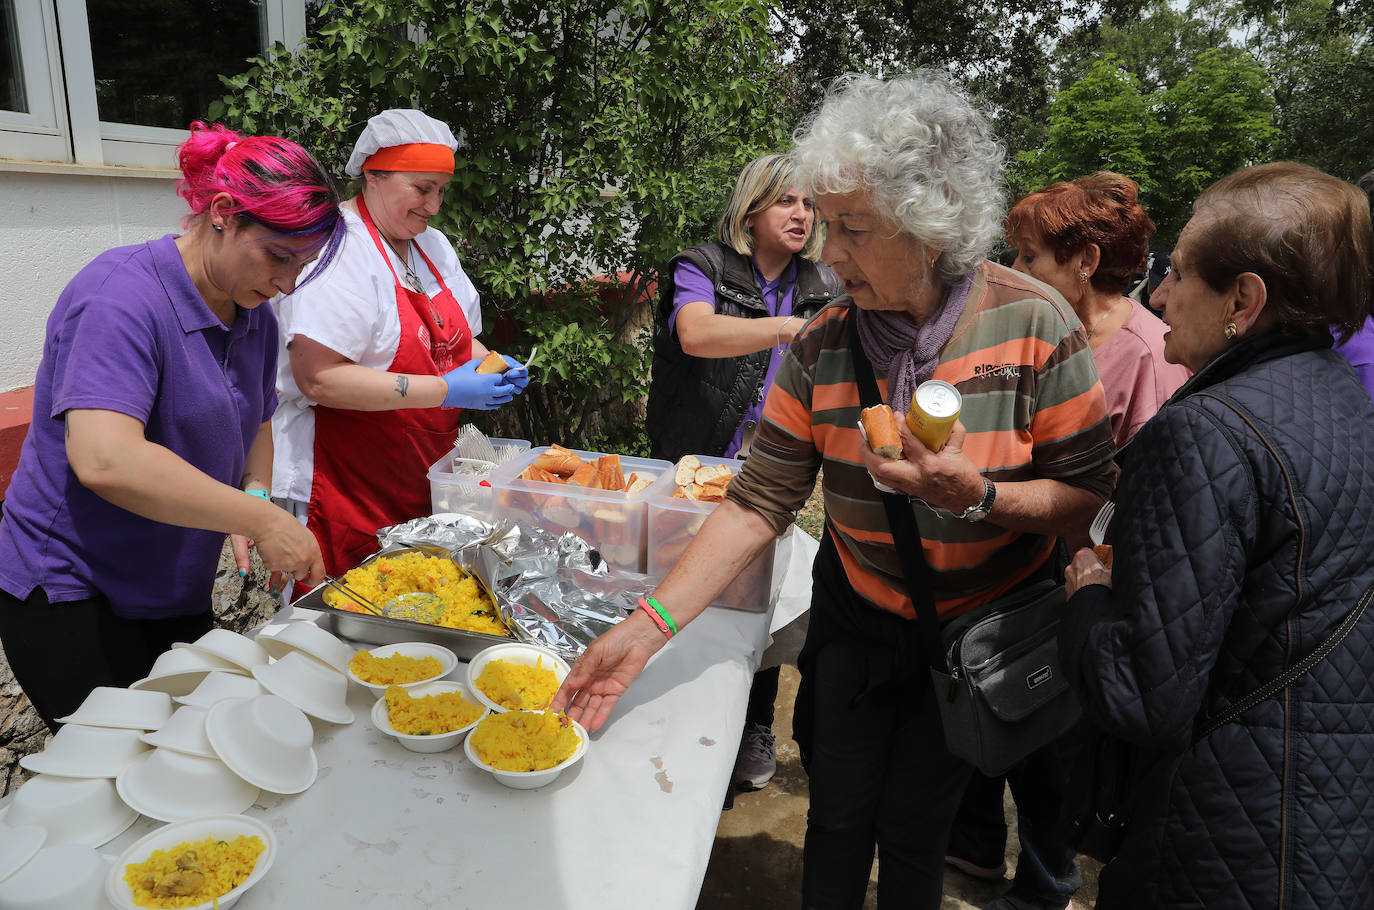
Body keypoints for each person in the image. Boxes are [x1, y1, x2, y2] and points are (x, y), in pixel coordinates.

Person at [554, 72, 1118, 910]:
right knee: (838, 816)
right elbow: (757, 501)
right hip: (856, 622)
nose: (830, 253)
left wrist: (979, 498)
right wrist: (643, 631)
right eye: (825, 222)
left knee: (916, 828)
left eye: (852, 228)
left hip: (970, 635)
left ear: (931, 226)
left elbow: (1087, 500)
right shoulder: (824, 340)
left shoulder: (1034, 323)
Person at [1061, 161, 1374, 908]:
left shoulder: (1205, 431)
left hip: (1221, 841)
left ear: (1243, 299)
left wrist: (1089, 596)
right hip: (1328, 817)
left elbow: (1142, 695)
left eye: (1176, 273)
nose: (1157, 294)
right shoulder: (1340, 394)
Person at [0, 122, 343, 732]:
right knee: (117, 762)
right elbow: (106, 460)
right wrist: (259, 519)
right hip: (72, 588)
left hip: (169, 582)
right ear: (221, 214)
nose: (288, 281)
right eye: (279, 256)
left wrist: (255, 491)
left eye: (305, 263)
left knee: (196, 741)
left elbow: (258, 416)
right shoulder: (119, 297)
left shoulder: (252, 307)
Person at [947, 173, 1191, 910]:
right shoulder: (1029, 326)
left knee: (1051, 739)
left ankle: (1047, 881)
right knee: (985, 701)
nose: (1017, 273)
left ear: (1084, 260)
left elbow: (1141, 491)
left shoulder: (1146, 351)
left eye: (1029, 258)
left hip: (1079, 570)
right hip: (1010, 546)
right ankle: (979, 853)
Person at [645, 152, 842, 790]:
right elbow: (697, 334)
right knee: (684, 583)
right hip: (695, 458)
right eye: (787, 201)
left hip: (774, 465)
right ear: (752, 208)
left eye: (809, 204)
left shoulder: (824, 282)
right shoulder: (702, 266)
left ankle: (753, 720)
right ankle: (674, 707)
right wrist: (788, 329)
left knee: (759, 594)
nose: (802, 215)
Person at [273, 109, 528, 579]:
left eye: (441, 191)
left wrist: (492, 362)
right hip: (347, 480)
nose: (433, 206)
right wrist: (447, 391)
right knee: (346, 604)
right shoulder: (337, 251)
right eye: (421, 189)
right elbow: (318, 378)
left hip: (421, 473)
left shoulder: (433, 247)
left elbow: (456, 340)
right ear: (373, 175)